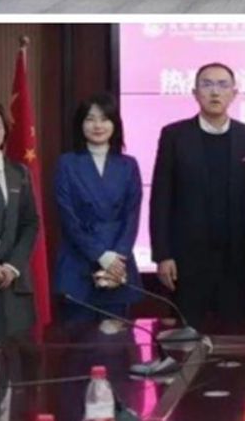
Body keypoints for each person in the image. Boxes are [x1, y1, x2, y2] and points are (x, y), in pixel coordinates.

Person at [150, 62, 245, 328]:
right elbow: (161, 198)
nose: (215, 92)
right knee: (187, 339)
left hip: (235, 259)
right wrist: (162, 254)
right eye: (207, 84)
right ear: (195, 92)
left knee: (235, 337)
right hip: (186, 260)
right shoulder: (174, 135)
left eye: (223, 85)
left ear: (234, 93)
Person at [54, 93, 143, 322]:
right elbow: (68, 217)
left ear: (114, 124)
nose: (97, 125)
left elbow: (132, 216)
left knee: (118, 348)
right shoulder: (67, 163)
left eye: (104, 119)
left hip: (118, 269)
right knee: (77, 350)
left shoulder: (128, 165)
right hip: (78, 264)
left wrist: (117, 259)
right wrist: (101, 256)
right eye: (90, 119)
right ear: (80, 124)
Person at [0, 100, 39, 340]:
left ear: (5, 131)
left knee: (17, 370)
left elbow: (30, 223)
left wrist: (13, 266)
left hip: (14, 289)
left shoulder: (19, 173)